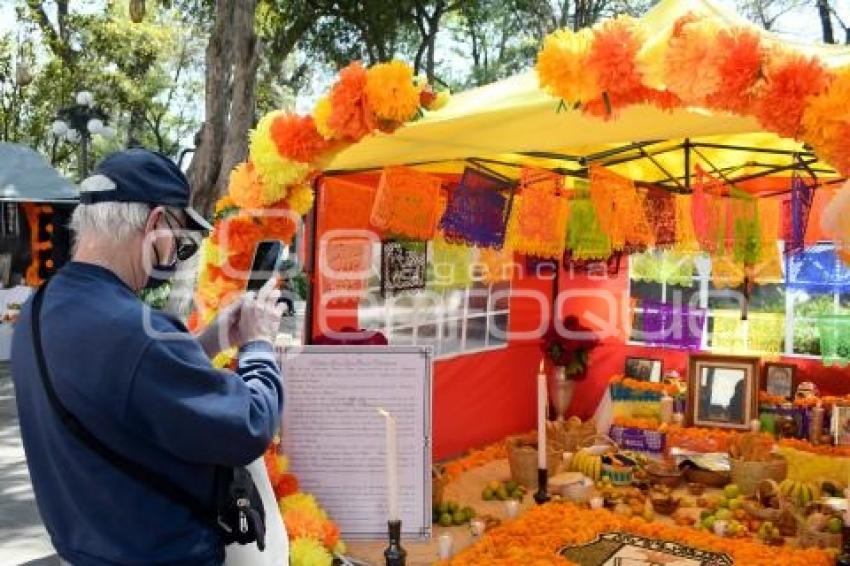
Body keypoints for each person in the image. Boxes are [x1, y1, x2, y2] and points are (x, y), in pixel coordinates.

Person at [11, 149, 286, 566]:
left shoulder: (39, 307)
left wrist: (211, 339)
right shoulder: (135, 330)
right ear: (157, 224)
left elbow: (122, 384)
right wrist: (259, 345)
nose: (177, 256)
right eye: (180, 242)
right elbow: (249, 425)